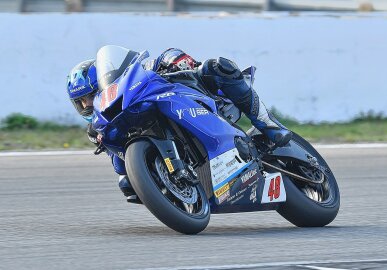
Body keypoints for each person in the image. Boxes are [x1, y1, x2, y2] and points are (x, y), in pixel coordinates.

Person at [66, 48, 292, 202]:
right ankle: (175, 184)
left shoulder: (136, 74)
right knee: (125, 182)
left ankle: (269, 124)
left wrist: (174, 60)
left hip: (195, 95)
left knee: (217, 66)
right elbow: (120, 166)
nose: (88, 103)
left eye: (90, 95)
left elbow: (163, 57)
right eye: (82, 102)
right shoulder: (99, 127)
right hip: (151, 140)